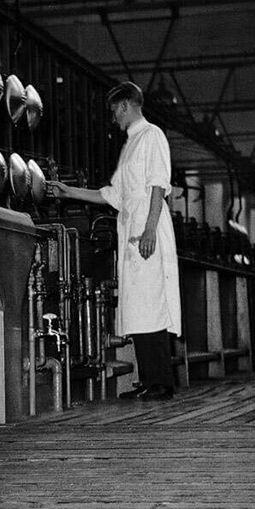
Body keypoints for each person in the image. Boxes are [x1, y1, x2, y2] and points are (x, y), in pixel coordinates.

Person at [47, 81, 181, 401]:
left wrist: (149, 230)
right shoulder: (130, 145)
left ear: (124, 106)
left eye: (114, 112)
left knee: (151, 305)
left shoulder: (152, 136)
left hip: (147, 228)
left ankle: (161, 382)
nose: (113, 119)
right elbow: (111, 195)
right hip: (132, 229)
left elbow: (158, 186)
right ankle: (150, 380)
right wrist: (69, 192)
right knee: (138, 308)